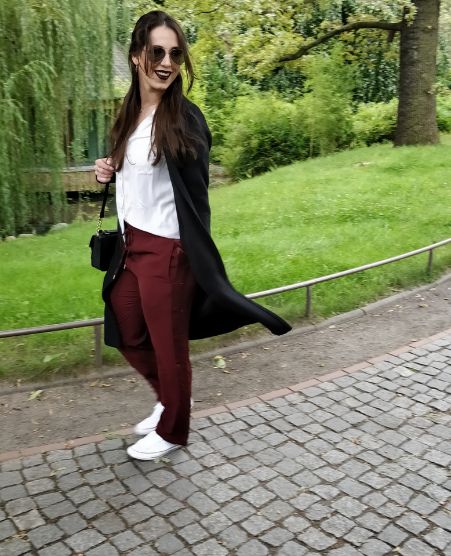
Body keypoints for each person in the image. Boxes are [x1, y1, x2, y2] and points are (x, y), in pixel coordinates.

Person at [94, 10, 291, 461]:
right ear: (136, 57)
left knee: (169, 344)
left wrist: (195, 251)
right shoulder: (129, 112)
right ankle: (170, 399)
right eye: (157, 52)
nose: (167, 62)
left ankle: (174, 429)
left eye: (175, 54)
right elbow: (131, 169)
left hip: (168, 249)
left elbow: (196, 192)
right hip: (131, 246)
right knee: (124, 326)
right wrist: (108, 168)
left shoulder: (184, 119)